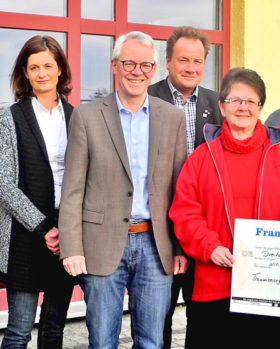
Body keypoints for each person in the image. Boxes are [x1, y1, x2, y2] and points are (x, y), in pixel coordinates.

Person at [169, 67, 280, 348]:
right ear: (222, 106)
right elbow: (185, 213)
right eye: (234, 100)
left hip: (269, 285)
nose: (242, 107)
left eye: (250, 101)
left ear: (261, 107)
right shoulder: (200, 159)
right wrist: (210, 247)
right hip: (215, 283)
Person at [58, 31, 188, 349]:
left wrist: (181, 246)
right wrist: (72, 247)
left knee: (152, 342)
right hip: (101, 244)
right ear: (115, 65)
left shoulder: (172, 118)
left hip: (156, 246)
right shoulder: (87, 117)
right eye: (129, 63)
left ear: (155, 70)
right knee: (102, 341)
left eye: (145, 65)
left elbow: (181, 190)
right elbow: (72, 188)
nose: (137, 71)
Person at [147, 25, 223, 349]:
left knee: (201, 318)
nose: (191, 68)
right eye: (183, 60)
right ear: (167, 61)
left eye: (197, 61)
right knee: (156, 319)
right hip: (157, 229)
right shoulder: (148, 99)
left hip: (201, 228)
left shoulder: (216, 103)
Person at [0, 35, 76, 349]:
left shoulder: (78, 117)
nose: (41, 73)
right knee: (18, 331)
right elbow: (4, 184)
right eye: (34, 67)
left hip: (67, 236)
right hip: (24, 238)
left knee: (55, 329)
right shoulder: (9, 118)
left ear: (60, 70)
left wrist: (64, 229)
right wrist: (44, 228)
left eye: (48, 65)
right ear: (25, 73)